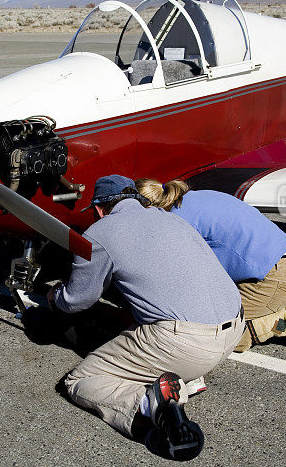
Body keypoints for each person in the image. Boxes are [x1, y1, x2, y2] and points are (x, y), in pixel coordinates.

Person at [46, 175, 244, 461]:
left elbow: (78, 300)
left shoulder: (99, 233)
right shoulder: (171, 218)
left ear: (100, 210)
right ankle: (187, 380)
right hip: (234, 326)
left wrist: (55, 298)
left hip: (187, 343)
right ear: (137, 199)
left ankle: (150, 405)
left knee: (81, 380)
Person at [135, 178, 286, 359]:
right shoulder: (189, 198)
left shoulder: (174, 223)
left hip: (275, 278)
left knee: (203, 335)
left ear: (148, 208)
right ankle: (282, 302)